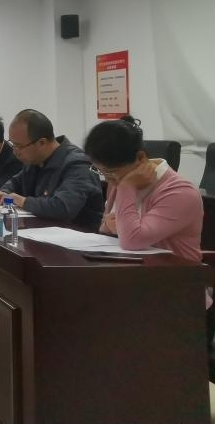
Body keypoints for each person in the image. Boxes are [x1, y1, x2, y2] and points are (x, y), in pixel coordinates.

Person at [83, 115, 212, 378]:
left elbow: (130, 239)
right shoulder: (120, 181)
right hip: (134, 285)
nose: (109, 181)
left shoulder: (179, 192)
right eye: (102, 172)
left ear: (141, 158)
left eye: (112, 173)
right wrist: (121, 222)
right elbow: (105, 227)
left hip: (177, 295)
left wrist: (127, 189)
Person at [0, 109, 103, 229]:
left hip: (79, 235)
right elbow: (15, 183)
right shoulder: (34, 160)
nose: (15, 152)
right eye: (13, 144)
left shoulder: (78, 163)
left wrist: (20, 200)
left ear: (42, 142)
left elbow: (63, 208)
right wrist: (1, 194)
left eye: (19, 146)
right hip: (42, 232)